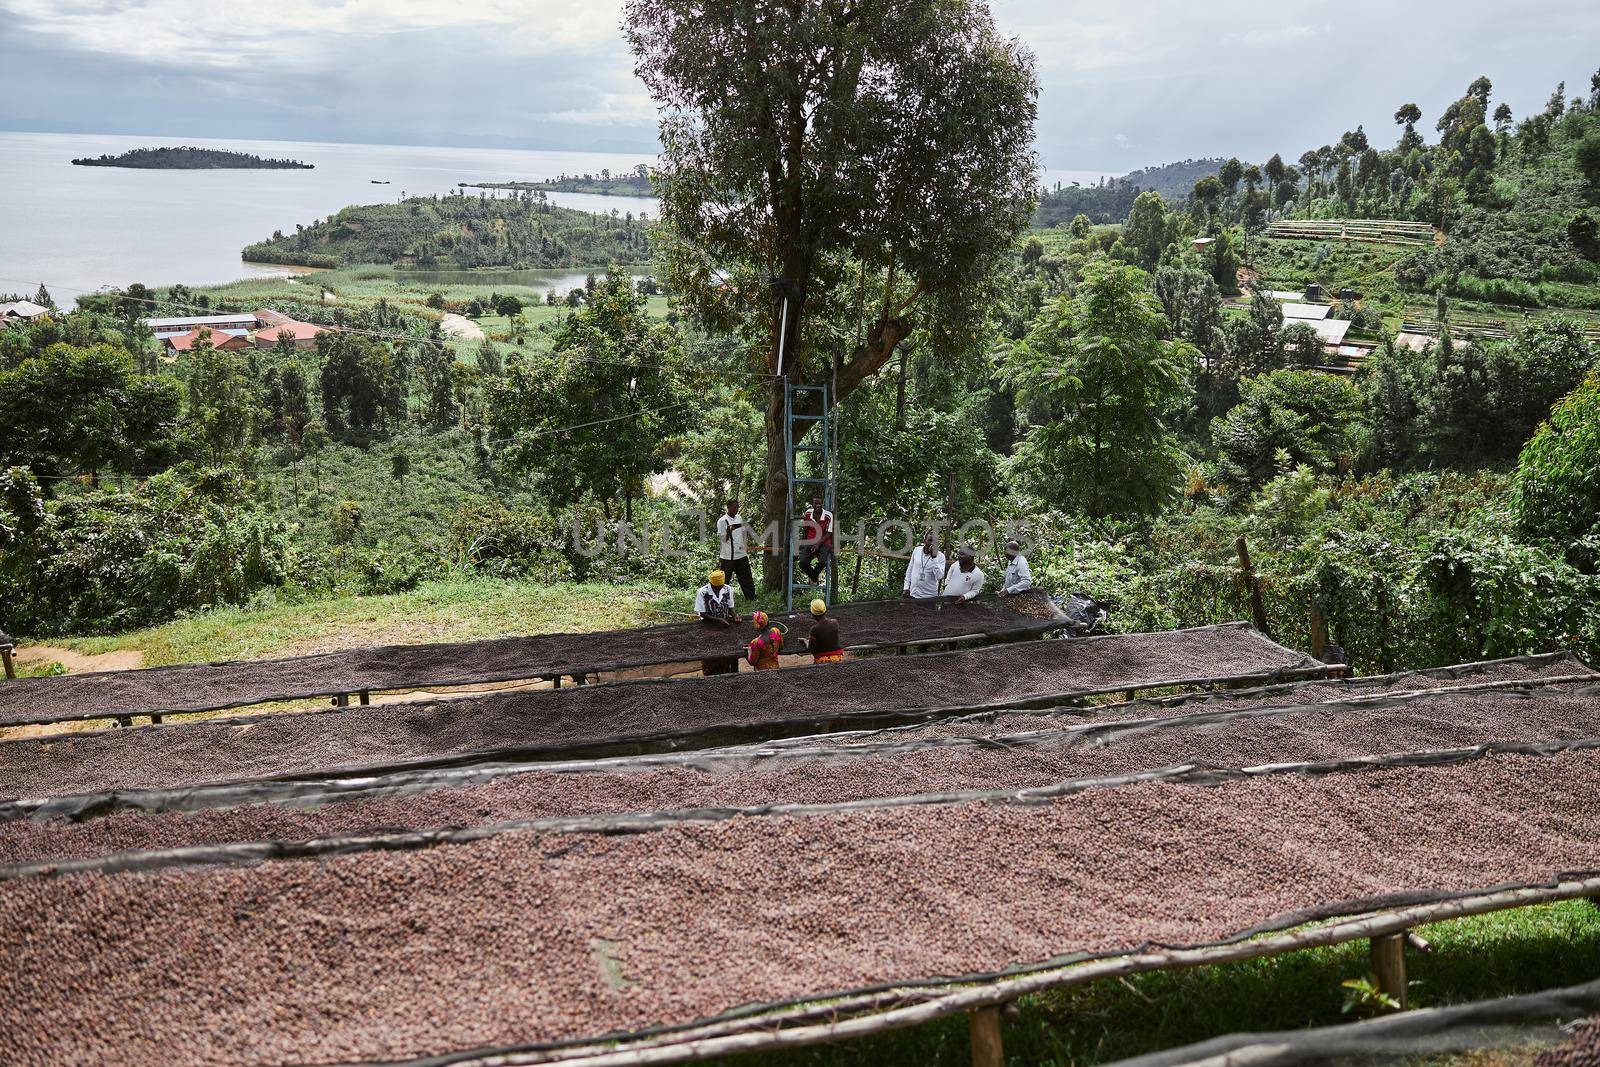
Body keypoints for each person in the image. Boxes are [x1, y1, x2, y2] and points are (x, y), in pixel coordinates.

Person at [694, 570, 741, 676]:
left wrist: (735, 616)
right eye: (716, 587)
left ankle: (733, 675)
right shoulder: (703, 592)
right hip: (709, 627)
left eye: (720, 586)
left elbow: (730, 608)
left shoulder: (727, 589)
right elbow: (703, 614)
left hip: (725, 627)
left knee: (731, 652)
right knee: (713, 654)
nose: (719, 589)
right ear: (711, 584)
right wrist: (719, 620)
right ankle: (713, 676)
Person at [716, 499, 756, 600]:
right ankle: (720, 599)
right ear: (728, 507)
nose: (737, 509)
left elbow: (742, 533)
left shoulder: (739, 518)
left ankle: (751, 597)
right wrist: (729, 530)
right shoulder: (722, 521)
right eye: (735, 507)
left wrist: (745, 545)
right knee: (724, 580)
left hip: (741, 554)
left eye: (738, 507)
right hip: (728, 556)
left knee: (746, 578)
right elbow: (724, 539)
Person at [797, 492, 834, 586]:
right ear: (812, 505)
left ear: (822, 504)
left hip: (824, 541)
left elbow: (829, 533)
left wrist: (818, 544)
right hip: (811, 540)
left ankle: (813, 578)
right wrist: (803, 542)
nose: (818, 505)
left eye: (819, 504)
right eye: (816, 504)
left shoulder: (828, 515)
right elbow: (806, 529)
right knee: (802, 563)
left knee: (822, 561)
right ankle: (814, 577)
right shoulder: (808, 513)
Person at [902, 529, 947, 600]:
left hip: (929, 598)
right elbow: (909, 570)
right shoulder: (917, 550)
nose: (932, 543)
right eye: (930, 540)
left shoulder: (940, 556)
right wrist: (906, 587)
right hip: (913, 595)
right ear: (924, 541)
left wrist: (934, 558)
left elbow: (940, 576)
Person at [803, 598, 845, 663]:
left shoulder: (814, 629)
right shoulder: (835, 622)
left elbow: (811, 649)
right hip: (837, 658)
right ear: (825, 611)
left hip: (821, 659)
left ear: (813, 614)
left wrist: (805, 641)